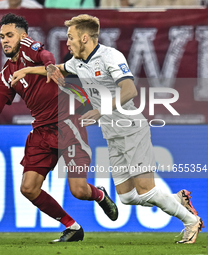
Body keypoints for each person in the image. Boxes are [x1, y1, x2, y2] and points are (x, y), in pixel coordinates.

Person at [11, 14, 204, 244]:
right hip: (113, 135)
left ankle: (191, 221)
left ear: (84, 38)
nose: (67, 42)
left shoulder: (110, 56)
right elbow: (56, 70)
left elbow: (130, 90)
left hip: (132, 129)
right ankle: (179, 199)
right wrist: (26, 71)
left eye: (70, 37)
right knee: (128, 197)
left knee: (147, 190)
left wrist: (101, 110)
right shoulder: (77, 63)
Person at [0, 13, 118, 242]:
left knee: (79, 191)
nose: (5, 41)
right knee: (28, 188)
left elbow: (45, 54)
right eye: (2, 37)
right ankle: (72, 227)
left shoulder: (30, 50)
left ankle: (99, 195)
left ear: (22, 37)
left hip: (67, 124)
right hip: (42, 131)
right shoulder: (6, 74)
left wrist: (50, 66)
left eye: (9, 35)